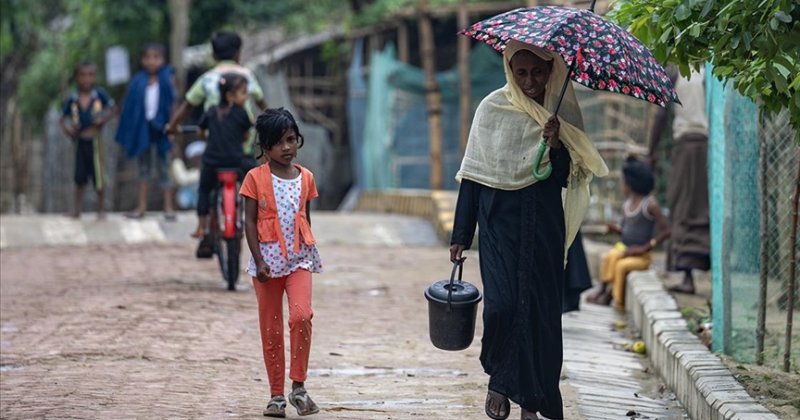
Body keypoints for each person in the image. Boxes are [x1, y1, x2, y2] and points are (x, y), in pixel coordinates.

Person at [449, 40, 608, 420]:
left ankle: (532, 402)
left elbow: (568, 177)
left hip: (542, 227)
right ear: (509, 71)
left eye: (538, 72)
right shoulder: (491, 108)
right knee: (502, 307)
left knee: (539, 314)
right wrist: (460, 234)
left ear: (551, 71)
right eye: (521, 72)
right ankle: (501, 381)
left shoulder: (561, 113)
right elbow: (473, 176)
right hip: (498, 224)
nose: (530, 80)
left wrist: (556, 145)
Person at [240, 108, 322, 418]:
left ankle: (298, 386)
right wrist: (258, 260)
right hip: (267, 267)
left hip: (300, 261)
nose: (287, 148)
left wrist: (308, 248)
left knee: (302, 316)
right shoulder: (254, 179)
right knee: (271, 329)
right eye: (279, 142)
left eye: (291, 140)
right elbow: (248, 223)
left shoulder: (306, 178)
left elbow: (305, 217)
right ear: (264, 146)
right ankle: (276, 396)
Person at [165, 31, 267, 171]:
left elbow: (188, 106)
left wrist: (172, 126)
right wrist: (271, 121)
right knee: (250, 177)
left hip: (214, 141)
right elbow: (261, 102)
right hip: (242, 141)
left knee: (206, 182)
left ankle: (206, 193)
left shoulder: (206, 79)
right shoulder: (246, 75)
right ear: (238, 54)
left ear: (213, 55)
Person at [649, 68, 710, 294]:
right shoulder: (711, 74)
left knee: (684, 205)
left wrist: (651, 150)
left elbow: (661, 115)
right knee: (701, 206)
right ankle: (695, 270)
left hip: (687, 144)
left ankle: (687, 276)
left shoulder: (678, 73)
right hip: (709, 144)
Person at [587, 156, 670, 310]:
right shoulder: (627, 204)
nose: (621, 185)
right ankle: (603, 288)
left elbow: (667, 230)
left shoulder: (649, 204)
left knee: (622, 266)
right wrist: (617, 230)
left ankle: (616, 300)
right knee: (610, 256)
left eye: (623, 181)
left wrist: (646, 247)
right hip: (625, 249)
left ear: (631, 183)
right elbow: (627, 230)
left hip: (641, 255)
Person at [115, 43, 177, 220]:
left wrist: (172, 126)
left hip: (162, 128)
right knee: (143, 168)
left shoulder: (167, 78)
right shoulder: (137, 81)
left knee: (164, 167)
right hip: (143, 129)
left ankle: (168, 208)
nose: (152, 61)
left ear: (163, 60)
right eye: (148, 58)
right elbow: (130, 108)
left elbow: (173, 103)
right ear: (142, 60)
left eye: (156, 57)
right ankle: (141, 207)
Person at [193, 73, 252, 241]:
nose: (246, 96)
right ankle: (258, 215)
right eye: (243, 93)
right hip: (236, 161)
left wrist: (207, 137)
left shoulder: (211, 112)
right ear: (230, 96)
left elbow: (200, 132)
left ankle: (201, 226)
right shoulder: (241, 113)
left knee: (204, 189)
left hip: (213, 162)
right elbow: (246, 136)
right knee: (257, 177)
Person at [59, 61, 115, 220]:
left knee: (99, 176)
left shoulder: (99, 95)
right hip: (80, 141)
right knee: (79, 177)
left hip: (95, 141)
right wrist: (68, 129)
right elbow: (62, 118)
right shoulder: (73, 98)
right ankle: (76, 210)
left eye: (90, 75)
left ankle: (101, 209)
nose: (86, 79)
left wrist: (102, 119)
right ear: (76, 77)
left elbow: (112, 108)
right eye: (83, 75)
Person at [171, 140, 205, 210]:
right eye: (196, 157)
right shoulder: (191, 172)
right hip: (188, 202)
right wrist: (177, 160)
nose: (198, 160)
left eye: (200, 157)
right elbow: (183, 179)